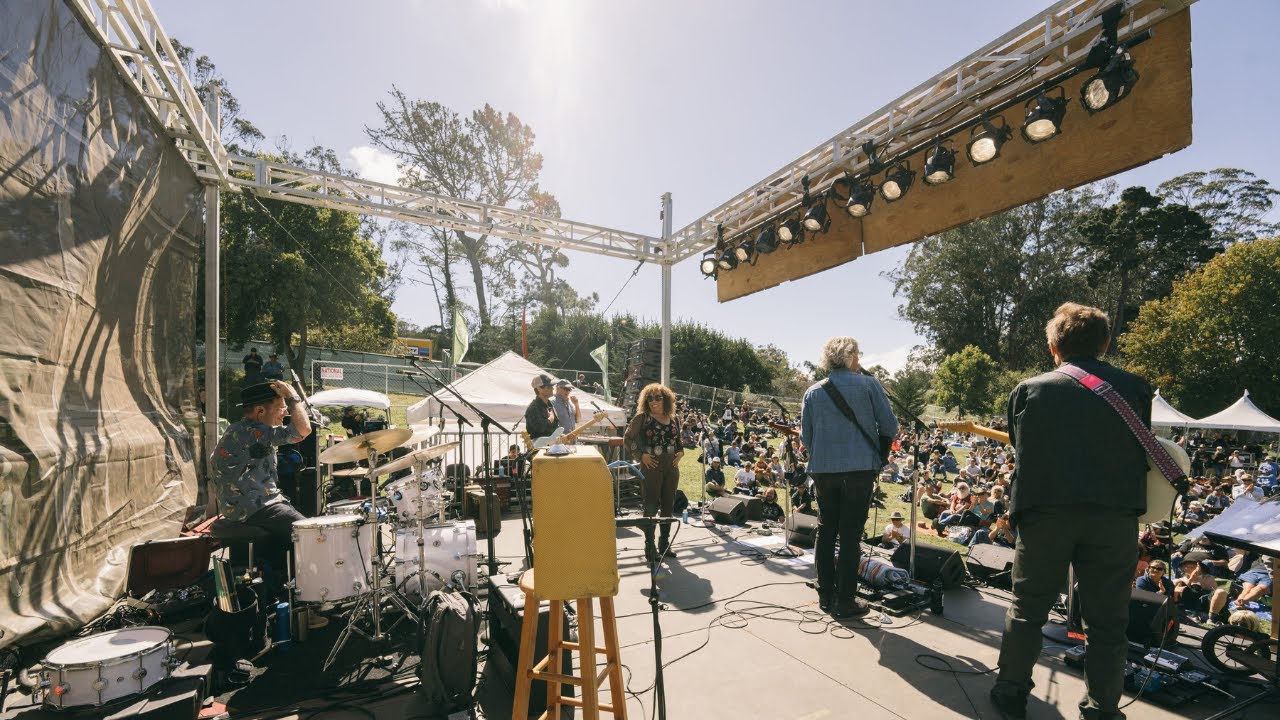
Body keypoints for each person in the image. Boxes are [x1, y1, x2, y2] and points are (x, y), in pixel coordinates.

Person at [991, 303, 1153, 720]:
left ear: (1053, 347)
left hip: (1046, 512)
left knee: (1027, 610)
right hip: (1114, 517)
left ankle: (1010, 693)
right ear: (1105, 343)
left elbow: (1020, 447)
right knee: (1108, 622)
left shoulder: (1030, 389)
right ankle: (1102, 707)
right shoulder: (1135, 389)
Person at [801, 335, 898, 619]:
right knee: (850, 536)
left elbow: (807, 438)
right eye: (858, 355)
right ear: (851, 356)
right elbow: (890, 426)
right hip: (858, 471)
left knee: (826, 531)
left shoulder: (813, 392)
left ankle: (825, 595)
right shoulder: (869, 385)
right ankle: (845, 601)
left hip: (824, 471)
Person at [209, 381, 312, 569]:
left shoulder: (238, 430)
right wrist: (293, 398)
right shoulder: (253, 431)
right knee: (312, 534)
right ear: (260, 411)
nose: (286, 412)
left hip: (242, 507)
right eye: (281, 407)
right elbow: (303, 430)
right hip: (255, 507)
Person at [623, 383, 684, 561]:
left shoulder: (674, 418)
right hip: (652, 465)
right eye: (650, 398)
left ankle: (664, 544)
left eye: (658, 397)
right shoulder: (642, 418)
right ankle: (649, 547)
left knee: (668, 504)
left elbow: (678, 440)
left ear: (666, 399)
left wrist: (681, 452)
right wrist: (641, 455)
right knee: (651, 504)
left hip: (671, 466)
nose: (654, 401)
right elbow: (627, 438)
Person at [524, 374, 559, 443]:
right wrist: (550, 419)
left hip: (550, 448)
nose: (552, 388)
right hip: (538, 450)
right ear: (539, 388)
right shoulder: (533, 408)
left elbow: (554, 427)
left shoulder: (550, 405)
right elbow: (539, 428)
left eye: (552, 386)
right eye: (548, 387)